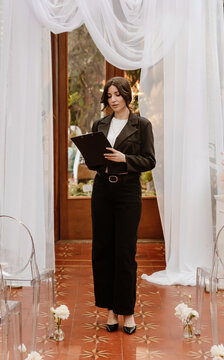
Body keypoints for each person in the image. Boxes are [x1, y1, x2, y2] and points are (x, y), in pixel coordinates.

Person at [88, 76, 156, 335]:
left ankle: (127, 311)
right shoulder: (100, 124)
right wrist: (93, 159)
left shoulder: (142, 125)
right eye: (109, 95)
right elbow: (95, 161)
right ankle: (110, 310)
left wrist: (124, 158)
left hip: (128, 191)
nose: (113, 99)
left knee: (125, 252)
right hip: (103, 189)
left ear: (127, 95)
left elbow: (149, 160)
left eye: (117, 94)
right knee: (103, 250)